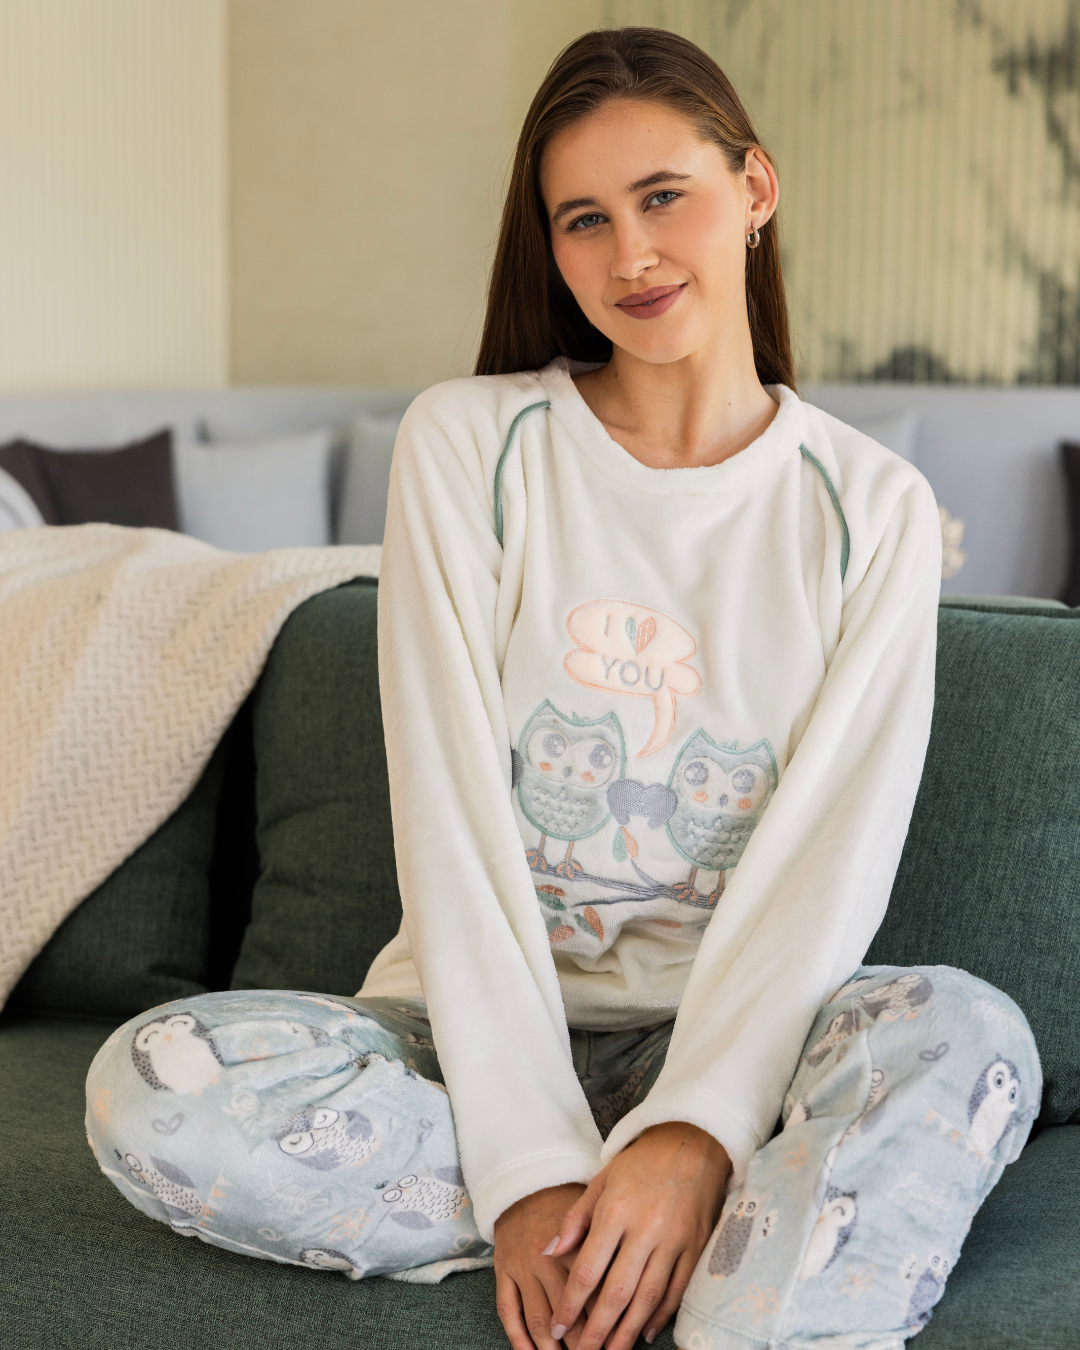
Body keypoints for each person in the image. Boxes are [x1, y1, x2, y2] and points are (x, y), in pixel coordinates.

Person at [86, 27, 1039, 1350]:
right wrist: (525, 1161)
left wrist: (699, 1129)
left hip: (744, 1054)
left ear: (754, 189)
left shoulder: (872, 508)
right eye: (584, 219)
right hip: (458, 1049)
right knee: (147, 1084)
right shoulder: (470, 443)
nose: (630, 254)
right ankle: (679, 1245)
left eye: (664, 197)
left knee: (972, 1035)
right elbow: (453, 823)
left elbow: (834, 861)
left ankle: (698, 1243)